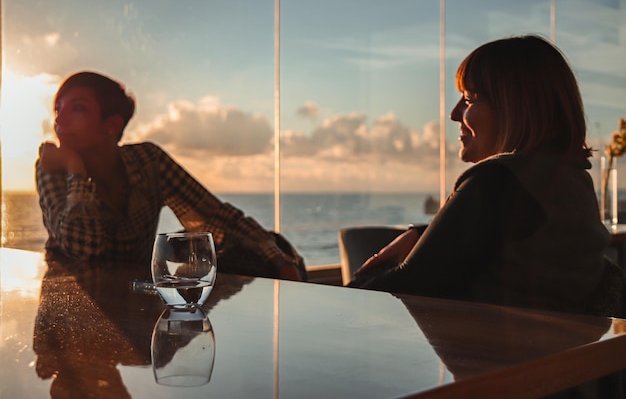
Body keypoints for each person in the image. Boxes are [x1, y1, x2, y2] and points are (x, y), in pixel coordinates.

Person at [351, 35, 624, 316]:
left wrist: (335, 297)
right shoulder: (571, 179)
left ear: (514, 107)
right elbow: (497, 235)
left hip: (499, 357)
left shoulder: (498, 181)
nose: (454, 114)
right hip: (565, 357)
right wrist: (420, 234)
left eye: (469, 100)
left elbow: (407, 288)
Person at [36, 71, 305, 281]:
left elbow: (216, 216)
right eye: (58, 108)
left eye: (77, 108)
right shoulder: (52, 168)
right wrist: (75, 168)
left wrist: (279, 259)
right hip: (70, 305)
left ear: (112, 125)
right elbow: (85, 247)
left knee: (263, 246)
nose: (60, 118)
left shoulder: (148, 162)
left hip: (135, 299)